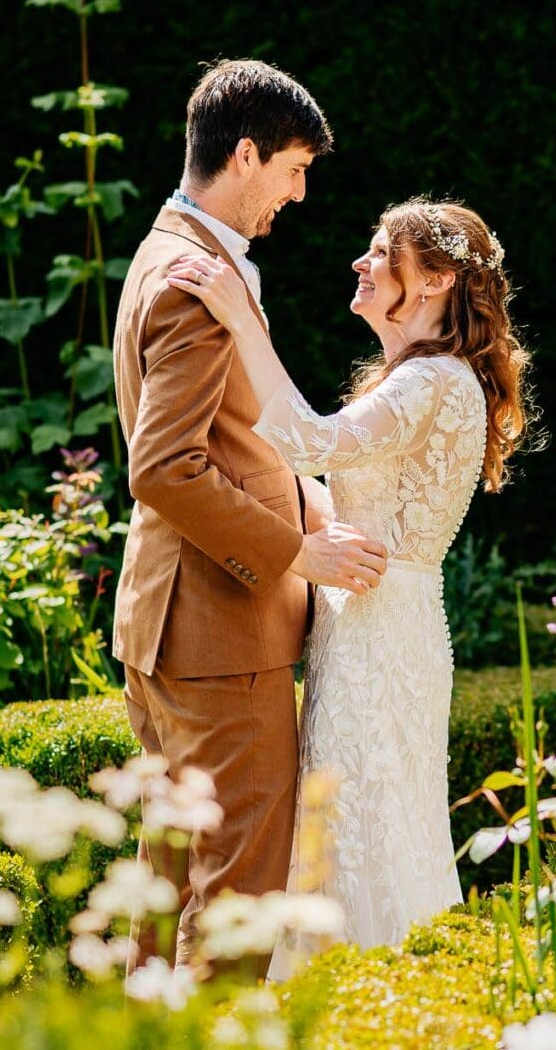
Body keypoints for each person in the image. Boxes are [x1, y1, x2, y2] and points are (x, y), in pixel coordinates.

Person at [165, 197, 533, 956]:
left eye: (378, 252)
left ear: (432, 280)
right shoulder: (430, 378)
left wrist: (243, 318)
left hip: (375, 641)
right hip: (378, 624)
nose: (359, 263)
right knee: (370, 826)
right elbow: (357, 495)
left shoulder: (431, 380)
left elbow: (308, 441)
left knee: (360, 832)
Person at [111, 59, 389, 970]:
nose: (298, 195)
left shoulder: (169, 252)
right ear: (243, 153)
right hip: (220, 640)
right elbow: (166, 467)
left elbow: (223, 443)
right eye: (293, 169)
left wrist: (304, 491)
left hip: (167, 625)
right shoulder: (194, 278)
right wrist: (297, 551)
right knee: (238, 897)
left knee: (164, 881)